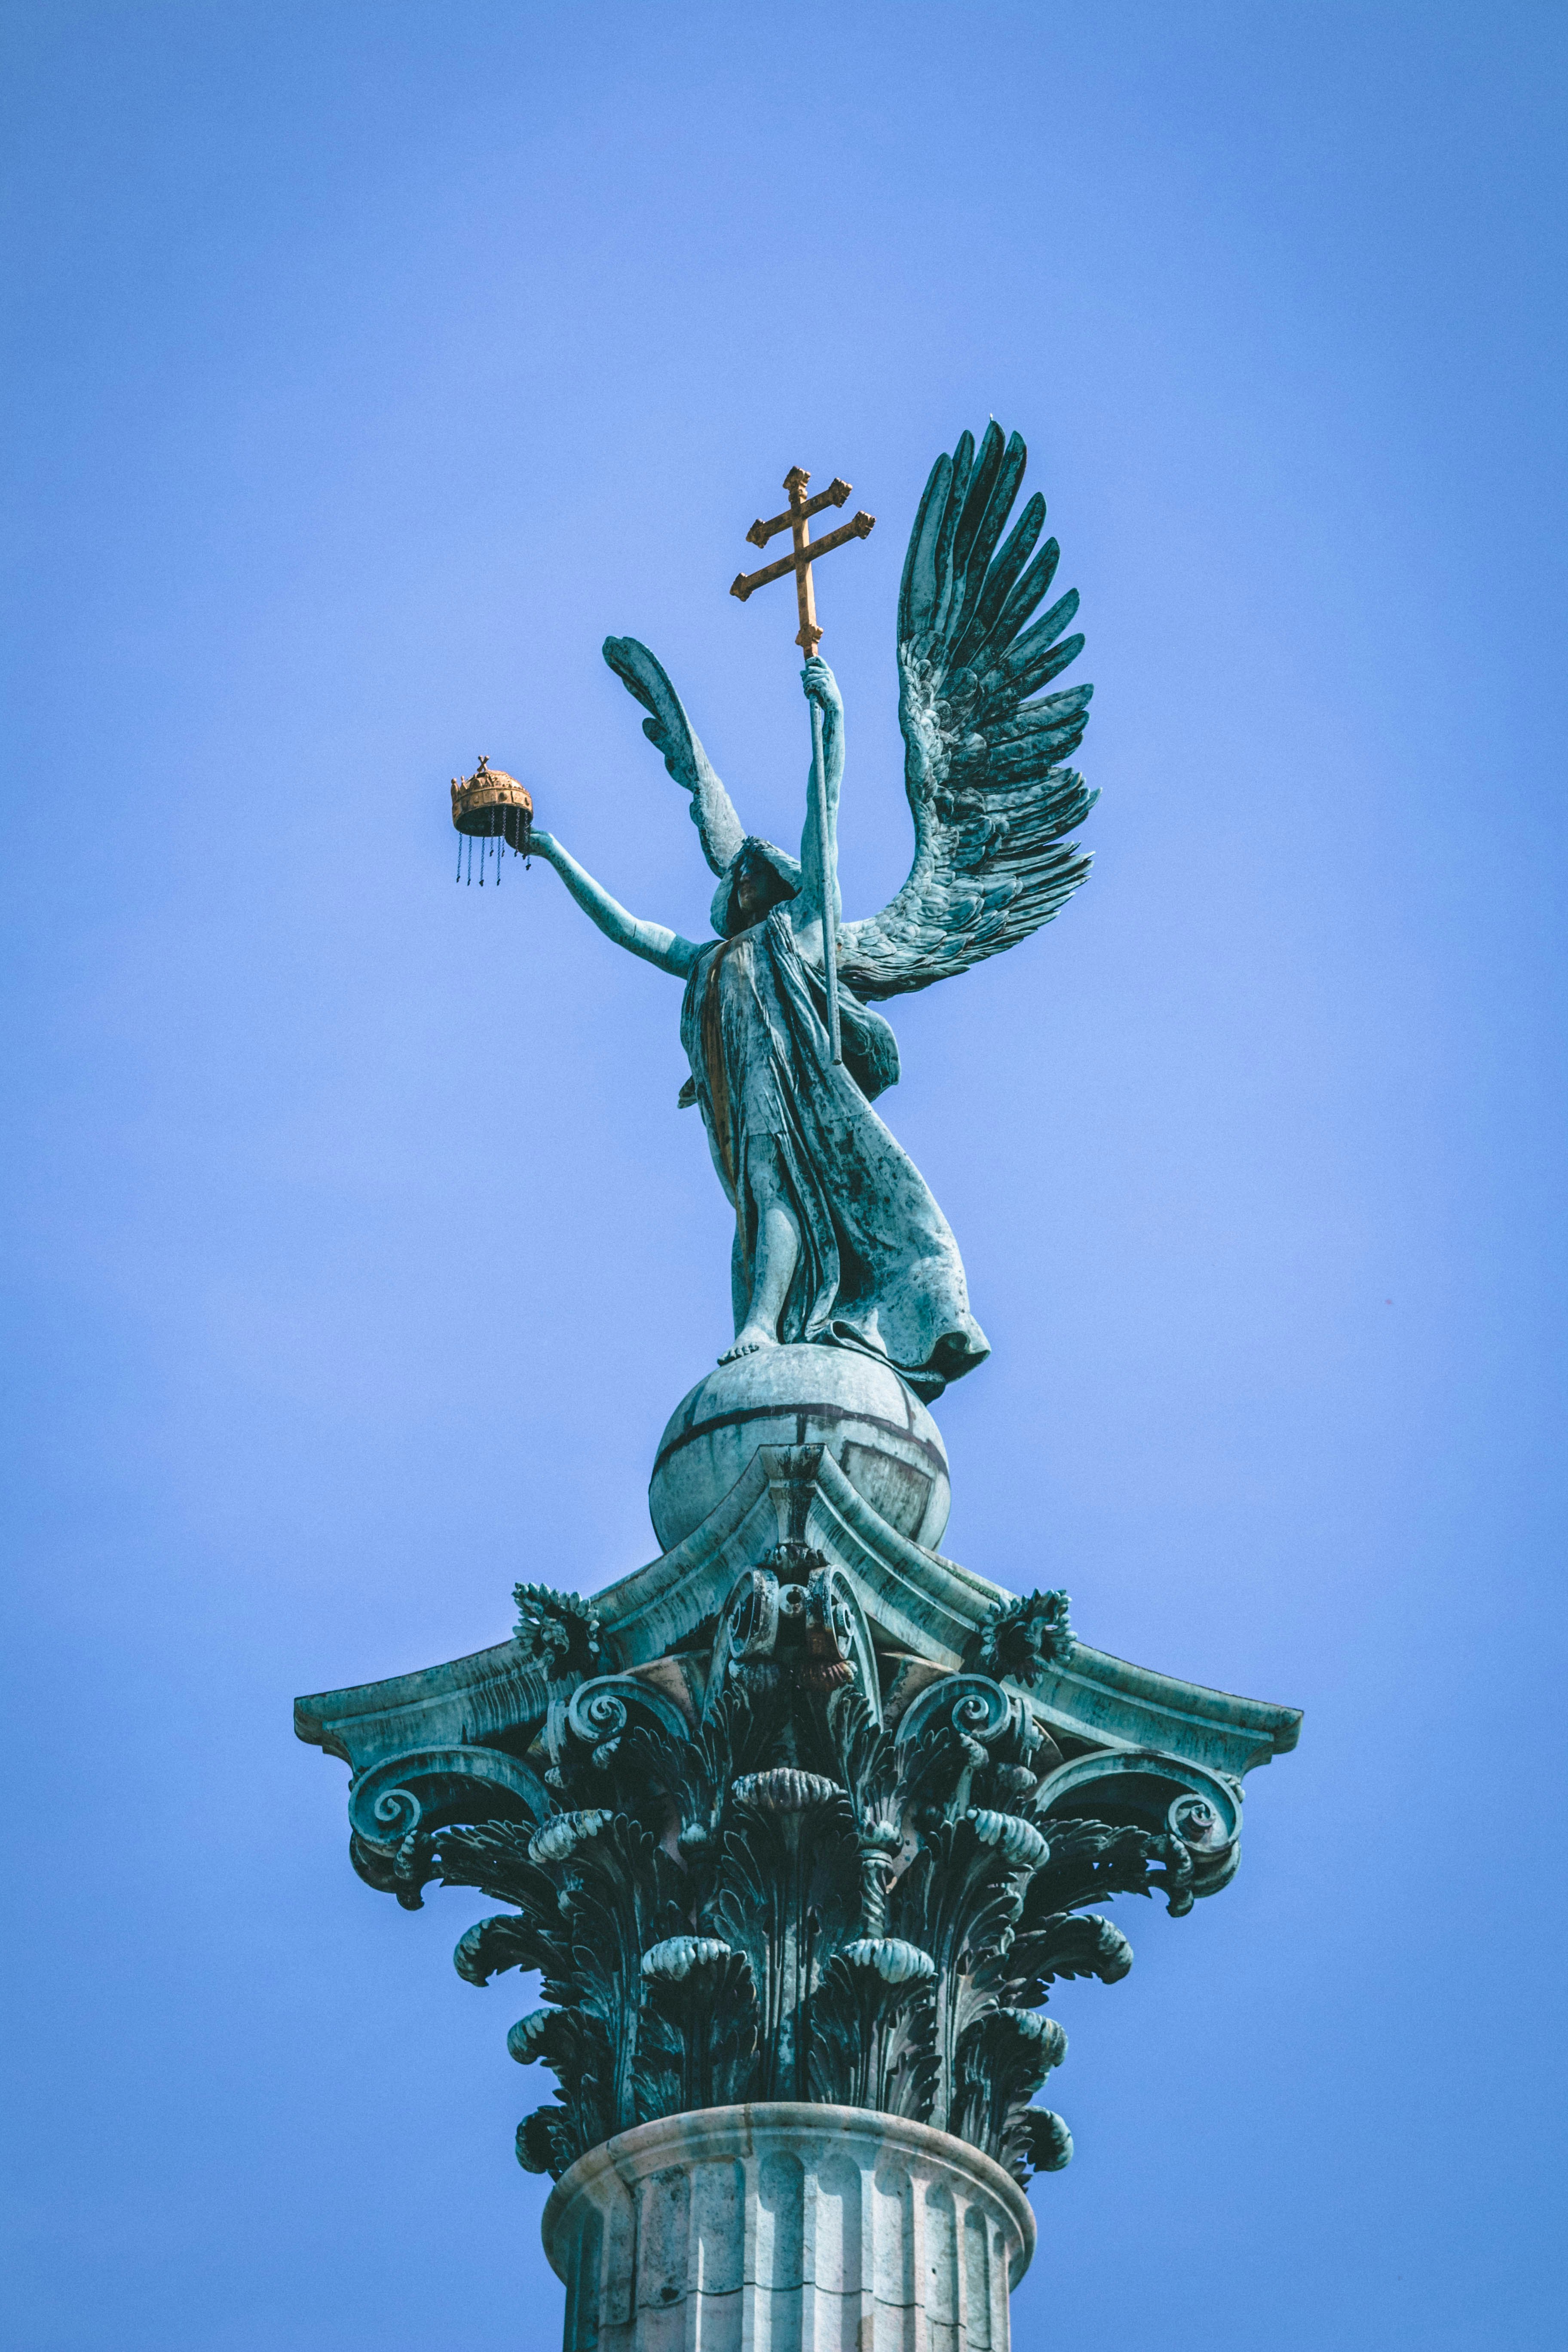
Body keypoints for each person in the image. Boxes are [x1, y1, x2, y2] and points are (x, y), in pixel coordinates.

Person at [526, 658, 989, 1400]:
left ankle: (762, 1325)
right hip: (746, 1105)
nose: (744, 879)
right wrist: (554, 854)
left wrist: (831, 724)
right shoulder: (712, 961)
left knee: (775, 1195)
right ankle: (775, 1318)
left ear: (771, 886)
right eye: (741, 873)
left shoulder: (801, 931)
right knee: (763, 1207)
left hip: (800, 1095)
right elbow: (628, 929)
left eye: (755, 873)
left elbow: (823, 818)